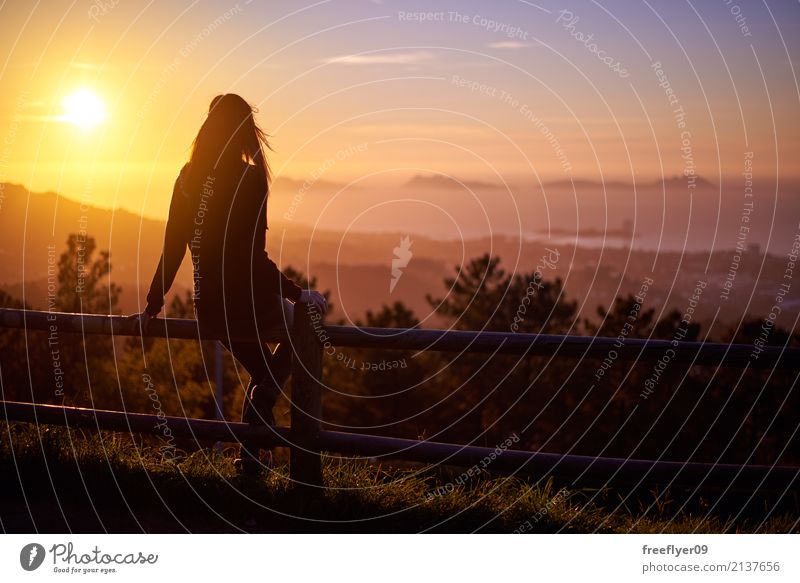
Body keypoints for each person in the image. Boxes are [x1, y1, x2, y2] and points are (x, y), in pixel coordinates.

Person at [128, 93, 327, 474]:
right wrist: (300, 294)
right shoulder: (250, 179)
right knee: (306, 331)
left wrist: (154, 304)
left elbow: (173, 247)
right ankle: (263, 426)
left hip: (212, 309)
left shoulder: (187, 179)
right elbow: (252, 260)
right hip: (252, 303)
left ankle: (252, 461)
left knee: (262, 373)